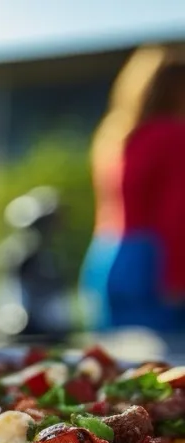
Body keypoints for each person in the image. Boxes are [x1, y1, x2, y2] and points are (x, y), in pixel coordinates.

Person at [81, 46, 185, 331]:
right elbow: (176, 213)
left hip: (105, 255)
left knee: (115, 351)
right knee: (163, 353)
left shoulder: (114, 137)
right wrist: (178, 278)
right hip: (153, 261)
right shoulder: (173, 135)